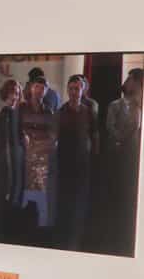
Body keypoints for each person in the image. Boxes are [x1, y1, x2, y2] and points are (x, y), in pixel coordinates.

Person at [56, 74, 100, 249]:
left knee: (80, 200)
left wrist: (95, 155)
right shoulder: (61, 112)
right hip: (65, 163)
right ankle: (63, 236)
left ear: (83, 90)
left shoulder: (89, 112)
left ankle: (77, 237)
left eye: (77, 88)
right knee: (65, 200)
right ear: (68, 90)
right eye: (71, 88)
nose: (74, 92)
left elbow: (95, 134)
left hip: (83, 163)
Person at [105, 68, 143, 254]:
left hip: (137, 159)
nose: (128, 82)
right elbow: (112, 128)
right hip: (122, 158)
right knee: (122, 199)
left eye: (131, 79)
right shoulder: (118, 105)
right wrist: (121, 140)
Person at [20, 77, 58, 232]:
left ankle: (40, 230)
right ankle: (22, 226)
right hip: (24, 156)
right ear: (31, 89)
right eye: (37, 87)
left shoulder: (49, 111)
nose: (39, 91)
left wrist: (39, 147)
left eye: (43, 88)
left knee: (41, 194)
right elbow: (17, 130)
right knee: (25, 192)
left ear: (46, 91)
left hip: (41, 157)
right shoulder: (22, 108)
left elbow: (53, 136)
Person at [0, 78, 27, 239]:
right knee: (9, 190)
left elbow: (21, 136)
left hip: (19, 155)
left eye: (16, 93)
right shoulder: (4, 113)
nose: (14, 96)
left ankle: (14, 228)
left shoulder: (17, 112)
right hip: (9, 157)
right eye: (11, 93)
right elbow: (4, 141)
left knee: (18, 190)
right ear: (6, 94)